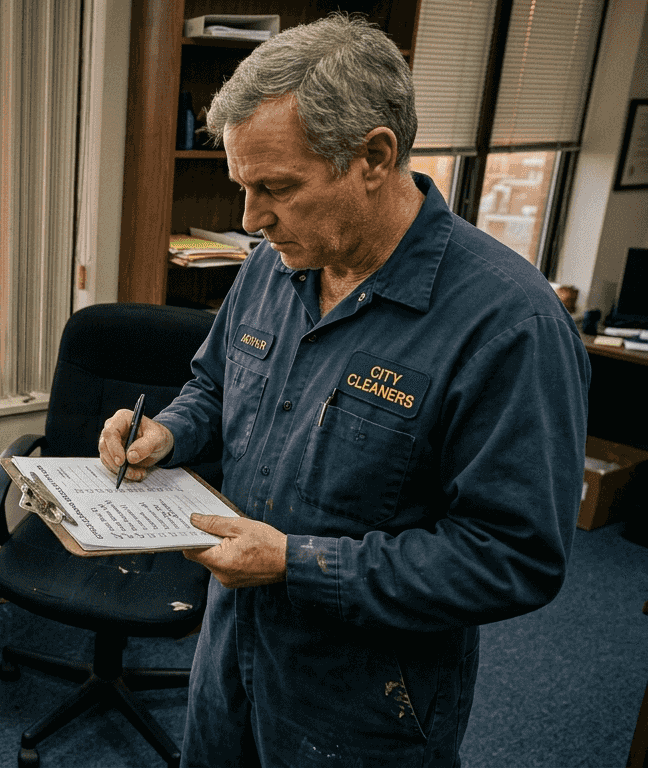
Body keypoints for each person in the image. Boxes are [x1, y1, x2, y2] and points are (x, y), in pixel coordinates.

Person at [98, 14, 590, 767]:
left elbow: (512, 558)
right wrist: (170, 431)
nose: (250, 219)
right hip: (229, 652)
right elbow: (214, 384)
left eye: (276, 188)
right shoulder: (274, 260)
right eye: (241, 187)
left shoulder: (509, 324)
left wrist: (296, 562)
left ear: (374, 156)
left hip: (361, 703)